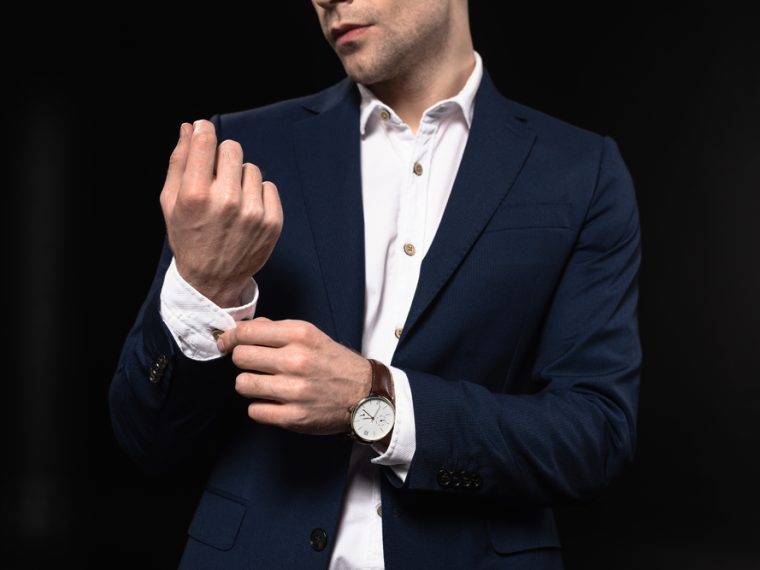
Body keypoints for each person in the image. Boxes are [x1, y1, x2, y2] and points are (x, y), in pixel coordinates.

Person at [109, 0, 641, 568]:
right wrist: (203, 286)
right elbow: (149, 442)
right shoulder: (240, 149)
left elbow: (595, 436)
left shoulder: (580, 170)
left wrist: (374, 400)